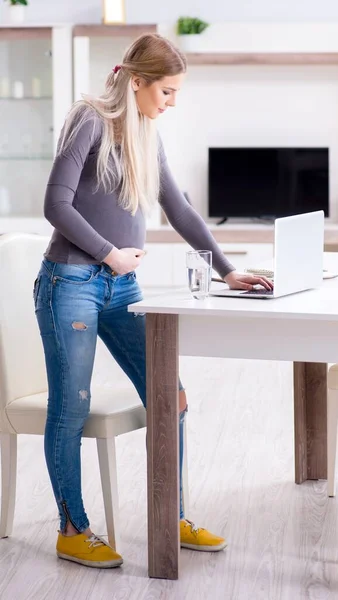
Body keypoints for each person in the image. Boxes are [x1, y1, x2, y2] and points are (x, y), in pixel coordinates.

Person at [34, 33, 272, 569]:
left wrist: (227, 270)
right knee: (70, 405)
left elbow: (180, 210)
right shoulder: (88, 119)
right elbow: (55, 203)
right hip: (70, 282)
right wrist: (108, 253)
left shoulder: (146, 134)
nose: (171, 103)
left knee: (171, 396)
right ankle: (72, 529)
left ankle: (171, 514)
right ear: (136, 82)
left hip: (122, 289)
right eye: (166, 91)